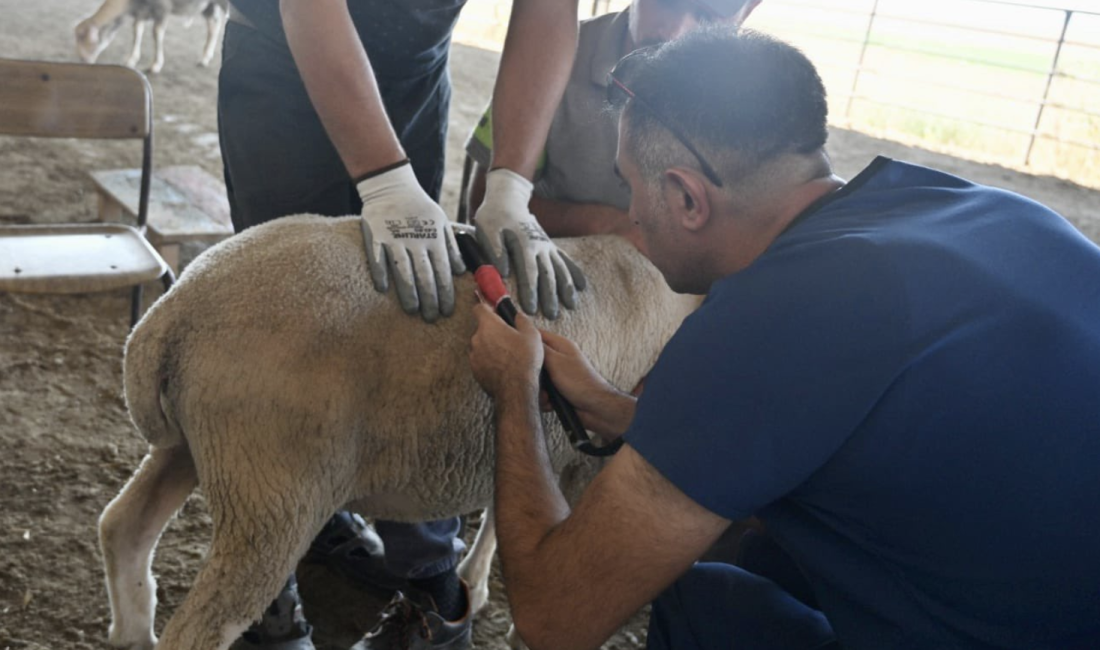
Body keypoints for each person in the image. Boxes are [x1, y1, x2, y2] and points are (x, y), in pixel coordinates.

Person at [468, 27, 1100, 650]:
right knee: (772, 552)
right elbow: (806, 417)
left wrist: (515, 391)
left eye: (631, 185)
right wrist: (612, 407)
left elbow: (554, 618)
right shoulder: (995, 211)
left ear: (687, 197)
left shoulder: (765, 320)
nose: (631, 213)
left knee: (709, 604)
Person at [216, 1, 587, 649]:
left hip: (413, 77)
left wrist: (511, 184)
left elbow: (549, 8)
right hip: (287, 66)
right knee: (286, 320)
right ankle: (263, 580)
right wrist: (384, 180)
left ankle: (424, 569)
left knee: (409, 309)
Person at [464, 0, 761, 247]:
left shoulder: (755, 109)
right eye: (666, 1)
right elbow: (482, 201)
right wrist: (603, 224)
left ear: (748, 9)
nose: (673, 33)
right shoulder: (546, 59)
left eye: (705, 16)